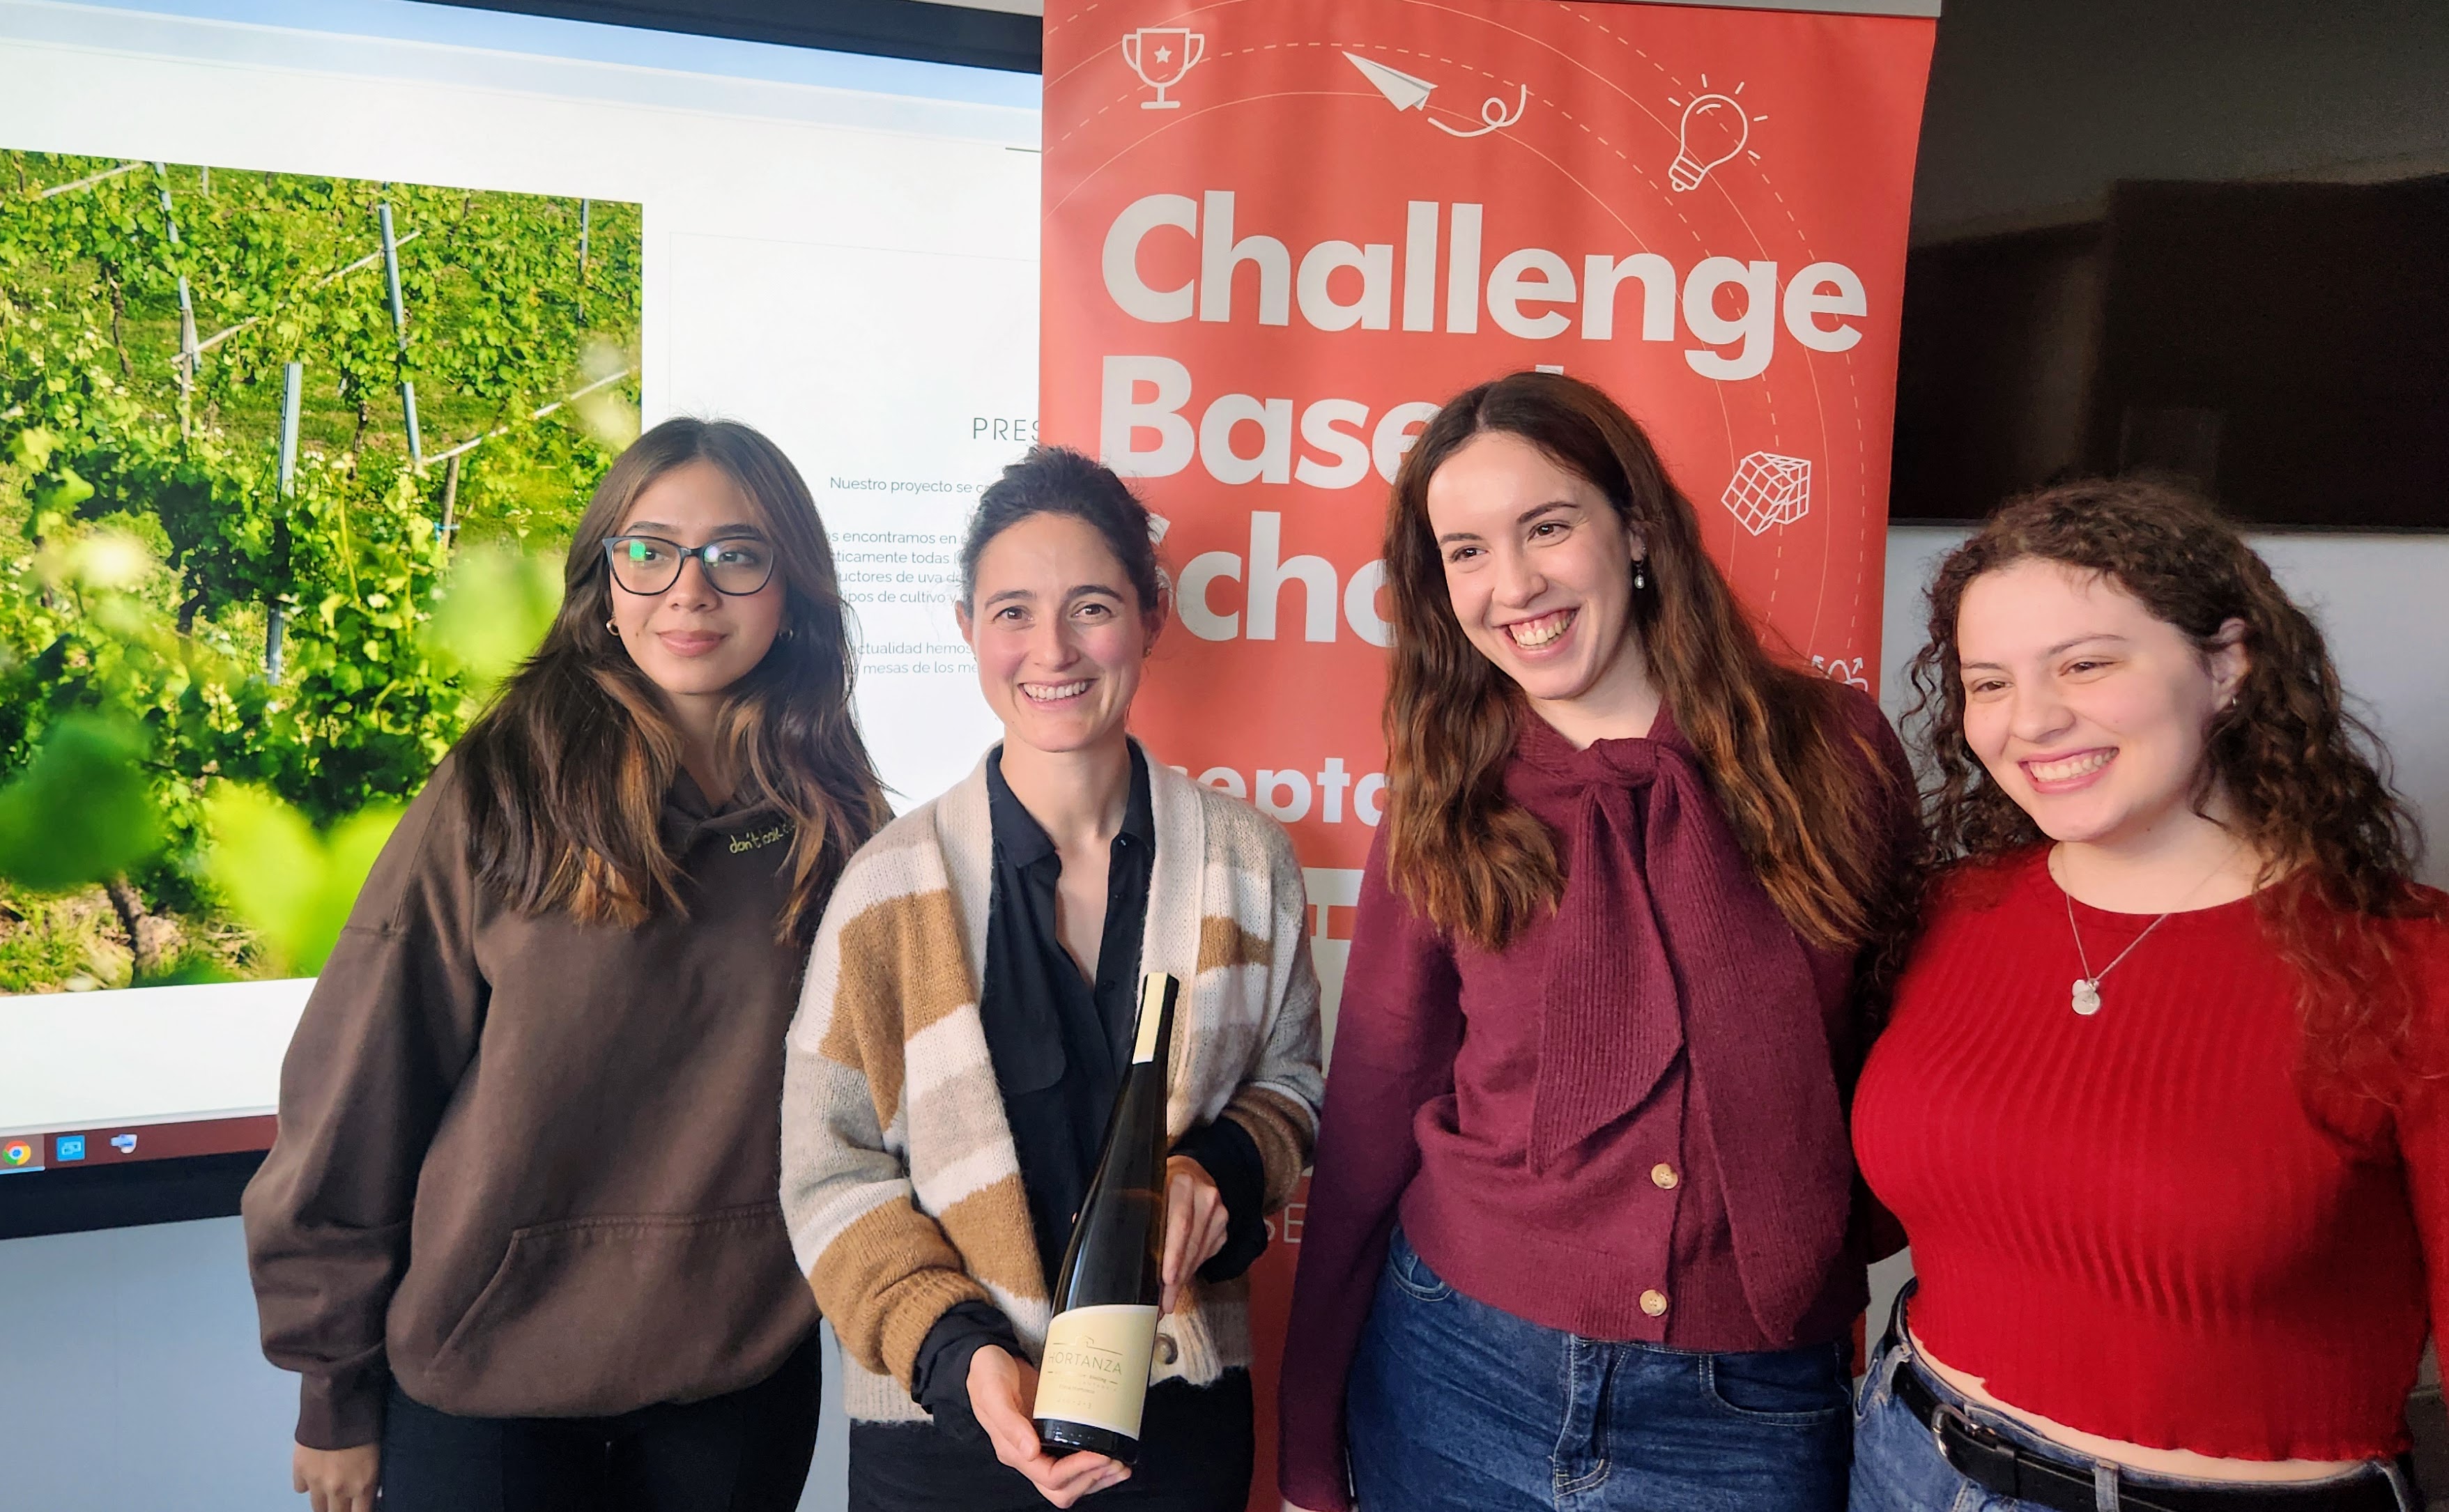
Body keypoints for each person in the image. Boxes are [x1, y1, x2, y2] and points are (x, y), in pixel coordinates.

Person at [1276, 371, 1917, 1512]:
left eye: (1547, 526)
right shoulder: (1443, 798)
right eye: (1464, 551)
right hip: (1455, 1363)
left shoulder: (1834, 755)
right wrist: (1307, 1439)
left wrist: (1816, 1245)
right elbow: (1379, 1096)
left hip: (1749, 1401)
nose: (1511, 582)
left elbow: (1904, 1062)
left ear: (1632, 527)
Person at [240, 417, 888, 1512]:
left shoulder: (838, 824)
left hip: (736, 1375)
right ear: (604, 579)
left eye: (737, 554)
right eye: (650, 550)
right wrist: (331, 1388)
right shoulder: (500, 790)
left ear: (792, 593)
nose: (689, 591)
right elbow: (361, 1087)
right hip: (486, 1376)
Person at [1848, 479, 2441, 1512]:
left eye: (2084, 663)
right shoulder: (1949, 911)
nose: (2029, 719)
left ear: (2226, 664)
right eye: (1986, 683)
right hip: (1904, 1456)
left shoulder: (2404, 965)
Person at [781, 445, 1323, 1512]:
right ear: (966, 629)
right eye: (1013, 612)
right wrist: (959, 1353)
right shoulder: (889, 889)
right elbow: (826, 1170)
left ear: (1151, 617)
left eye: (1090, 606)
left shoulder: (1247, 861)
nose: (1052, 650)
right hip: (949, 1434)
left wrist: (1215, 1169)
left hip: (1179, 1427)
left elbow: (1292, 1087)